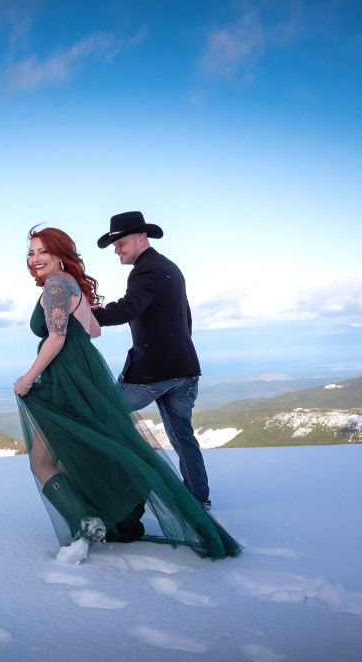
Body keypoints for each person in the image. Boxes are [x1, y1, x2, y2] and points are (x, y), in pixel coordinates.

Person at [14, 225, 240, 563]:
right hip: (157, 367)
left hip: (84, 375)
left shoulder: (61, 285)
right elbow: (93, 330)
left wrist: (28, 379)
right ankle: (185, 501)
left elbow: (59, 338)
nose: (34, 259)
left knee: (99, 442)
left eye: (42, 251)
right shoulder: (76, 283)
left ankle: (99, 517)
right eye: (31, 253)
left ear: (60, 254)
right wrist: (81, 311)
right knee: (151, 438)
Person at [92, 211, 212, 510]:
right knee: (183, 437)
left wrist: (85, 314)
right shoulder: (169, 267)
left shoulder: (145, 271)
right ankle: (199, 499)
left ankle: (131, 493)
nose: (116, 249)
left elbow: (127, 309)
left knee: (105, 419)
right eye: (113, 245)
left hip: (153, 374)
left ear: (141, 239)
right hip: (184, 369)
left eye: (120, 243)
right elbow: (185, 319)